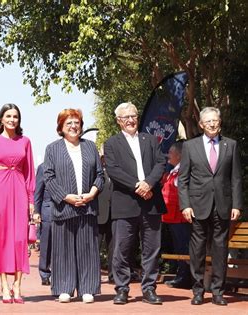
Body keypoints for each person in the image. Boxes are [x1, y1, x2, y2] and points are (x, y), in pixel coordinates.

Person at [178, 107, 242, 306]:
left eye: (215, 120)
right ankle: (198, 290)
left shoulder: (230, 145)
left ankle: (217, 291)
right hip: (197, 206)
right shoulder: (190, 146)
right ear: (201, 124)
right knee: (197, 250)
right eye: (208, 121)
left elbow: (236, 178)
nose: (213, 124)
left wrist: (237, 204)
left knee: (220, 250)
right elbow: (183, 179)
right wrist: (185, 205)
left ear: (219, 122)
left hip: (223, 205)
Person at [104, 102, 166, 305]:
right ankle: (122, 288)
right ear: (118, 121)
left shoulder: (151, 140)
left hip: (151, 202)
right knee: (122, 249)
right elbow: (113, 170)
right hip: (125, 202)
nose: (131, 120)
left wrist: (148, 184)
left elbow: (160, 163)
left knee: (152, 249)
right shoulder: (111, 143)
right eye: (126, 117)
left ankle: (149, 288)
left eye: (134, 116)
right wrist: (137, 186)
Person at [41, 108, 103, 304]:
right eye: (69, 123)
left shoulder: (90, 147)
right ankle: (64, 288)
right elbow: (48, 177)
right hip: (64, 207)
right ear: (61, 127)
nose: (73, 126)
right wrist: (66, 197)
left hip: (87, 205)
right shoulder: (52, 149)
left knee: (87, 248)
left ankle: (87, 288)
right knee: (63, 250)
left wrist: (93, 193)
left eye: (76, 122)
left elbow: (100, 175)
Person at [0, 103, 35, 304]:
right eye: (8, 116)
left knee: (20, 239)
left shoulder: (26, 141)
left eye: (15, 116)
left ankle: (18, 285)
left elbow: (30, 173)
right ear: (1, 119)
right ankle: (4, 285)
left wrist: (31, 200)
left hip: (20, 190)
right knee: (2, 238)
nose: (12, 119)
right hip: (0, 191)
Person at [161, 140, 192, 289]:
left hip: (180, 218)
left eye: (171, 153)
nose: (168, 155)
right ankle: (182, 275)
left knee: (183, 248)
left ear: (179, 155)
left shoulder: (182, 172)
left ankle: (185, 277)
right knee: (179, 247)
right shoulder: (173, 172)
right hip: (171, 217)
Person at [34, 163, 53, 286]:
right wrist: (36, 211)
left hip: (63, 210)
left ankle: (59, 272)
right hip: (47, 210)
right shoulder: (43, 167)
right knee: (46, 245)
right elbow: (38, 191)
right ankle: (44, 273)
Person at [97, 151, 114, 283]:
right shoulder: (97, 174)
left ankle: (113, 274)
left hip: (114, 214)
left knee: (113, 247)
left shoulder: (116, 174)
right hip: (98, 215)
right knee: (96, 246)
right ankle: (94, 274)